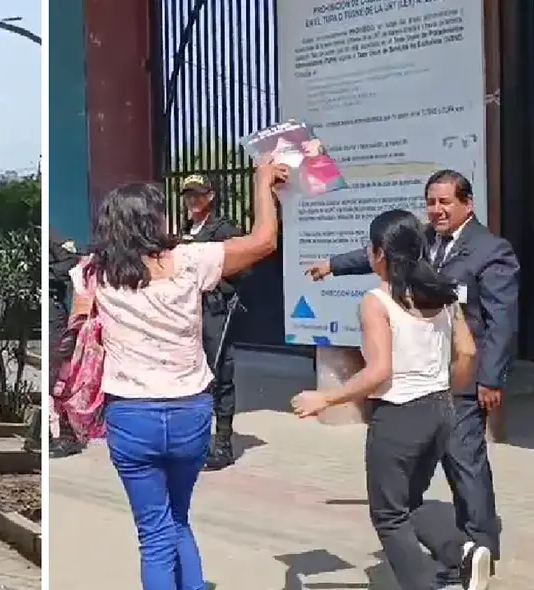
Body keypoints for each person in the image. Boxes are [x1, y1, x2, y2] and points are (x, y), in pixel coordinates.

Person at [68, 161, 288, 589]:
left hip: (131, 418)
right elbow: (264, 241)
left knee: (154, 533)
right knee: (179, 518)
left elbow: (77, 329)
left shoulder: (93, 272)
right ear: (152, 220)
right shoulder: (189, 259)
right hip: (190, 412)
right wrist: (262, 183)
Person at [304, 169, 518, 581]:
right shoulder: (421, 242)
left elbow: (502, 322)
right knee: (416, 486)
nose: (436, 210)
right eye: (431, 202)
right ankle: (463, 553)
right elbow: (381, 251)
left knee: (466, 466)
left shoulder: (492, 251)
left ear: (467, 204)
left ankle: (480, 550)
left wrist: (490, 379)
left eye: (445, 203)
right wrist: (332, 264)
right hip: (435, 386)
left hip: (463, 380)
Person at [178, 175, 247, 471]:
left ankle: (223, 443)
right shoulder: (184, 231)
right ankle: (198, 438)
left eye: (198, 195)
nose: (192, 201)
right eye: (188, 195)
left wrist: (217, 283)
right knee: (195, 375)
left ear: (210, 196)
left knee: (219, 374)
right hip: (190, 310)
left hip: (217, 310)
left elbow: (243, 266)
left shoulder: (223, 230)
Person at [47, 230, 86, 458]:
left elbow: (72, 261)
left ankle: (66, 435)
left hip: (52, 309)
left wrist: (47, 274)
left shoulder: (50, 236)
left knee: (56, 375)